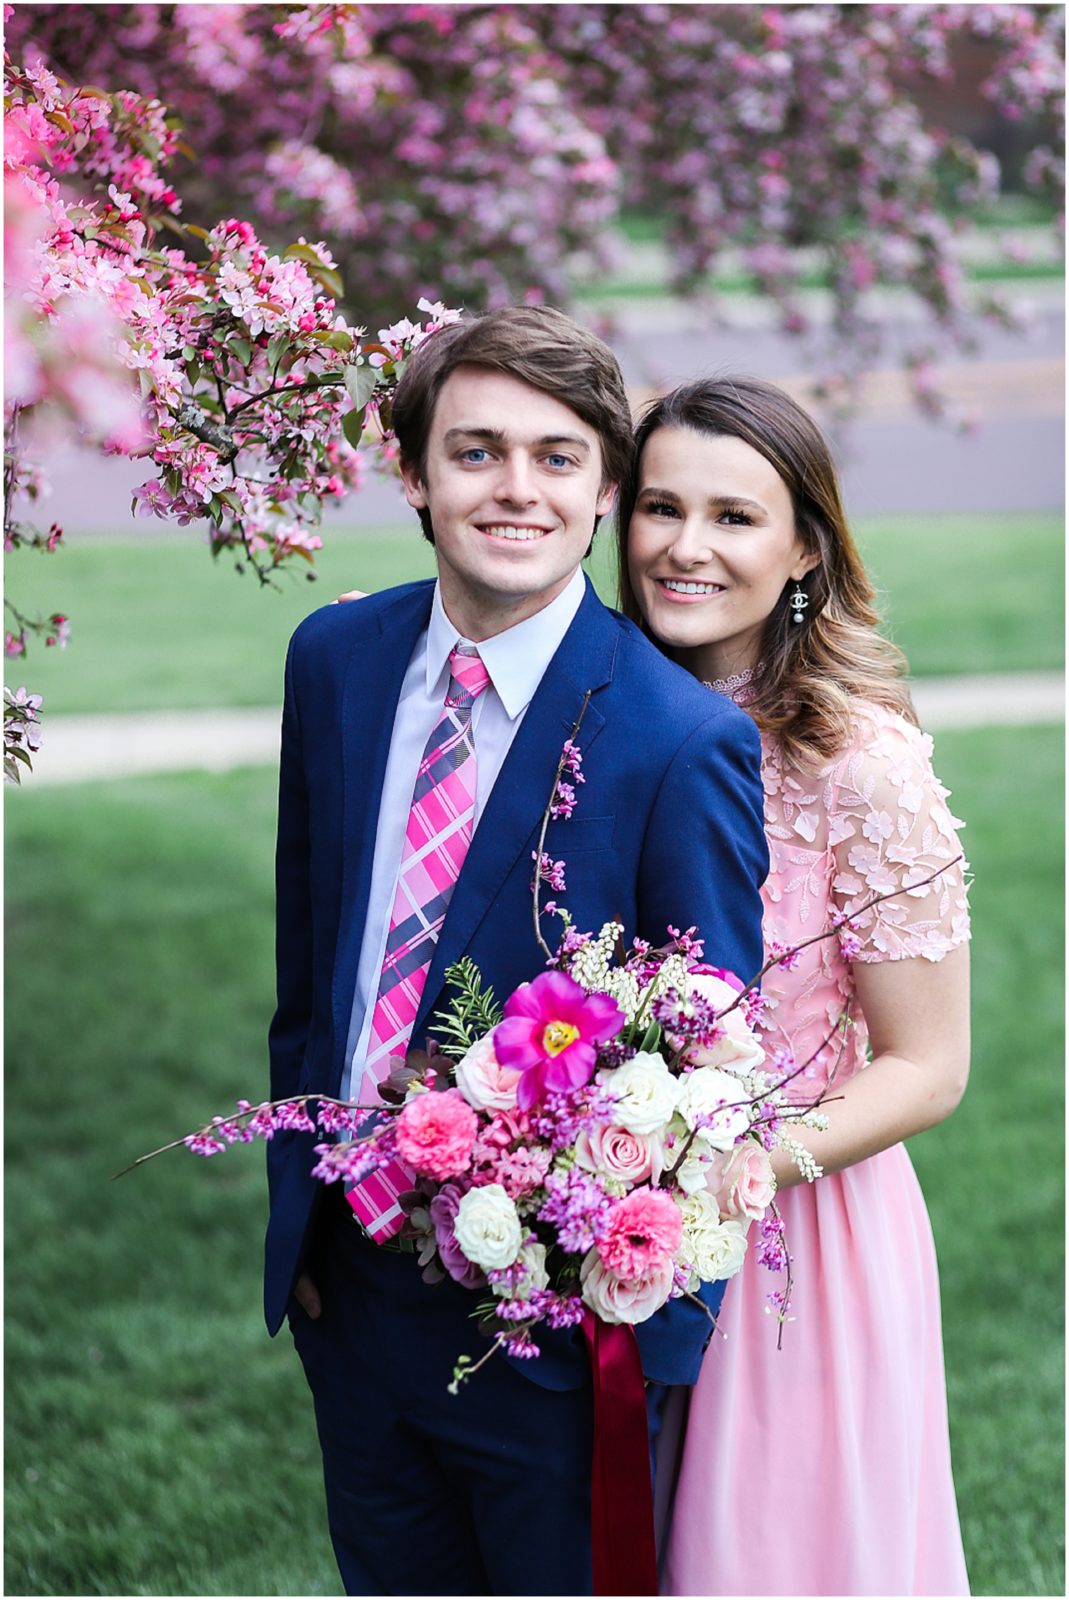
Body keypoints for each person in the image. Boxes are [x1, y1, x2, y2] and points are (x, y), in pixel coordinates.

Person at [264, 307, 768, 1597]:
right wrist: (299, 1221)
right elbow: (311, 954)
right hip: (352, 1286)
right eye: (474, 450)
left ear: (604, 490)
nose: (513, 489)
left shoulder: (670, 738)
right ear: (415, 475)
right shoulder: (334, 658)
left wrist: (637, 1338)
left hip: (546, 1337)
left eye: (555, 457)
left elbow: (717, 1076)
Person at [615, 376, 971, 1597]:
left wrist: (737, 1170)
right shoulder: (597, 719)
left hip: (792, 1232)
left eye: (732, 516)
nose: (683, 546)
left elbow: (928, 1066)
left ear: (803, 546)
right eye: (660, 506)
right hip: (601, 1223)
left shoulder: (857, 763)